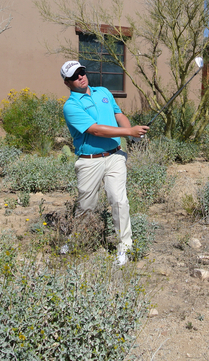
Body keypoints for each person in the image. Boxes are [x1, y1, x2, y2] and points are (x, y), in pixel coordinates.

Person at [60, 60, 149, 266]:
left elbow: (119, 115)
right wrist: (130, 132)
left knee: (119, 200)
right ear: (67, 82)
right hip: (89, 161)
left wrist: (132, 135)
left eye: (81, 72)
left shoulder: (103, 92)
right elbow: (95, 130)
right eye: (74, 76)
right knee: (86, 205)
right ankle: (77, 240)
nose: (80, 77)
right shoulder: (71, 106)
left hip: (115, 156)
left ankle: (124, 246)